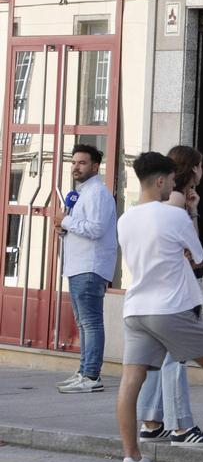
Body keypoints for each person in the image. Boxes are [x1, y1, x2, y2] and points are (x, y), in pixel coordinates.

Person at [113, 152, 203, 462]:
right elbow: (199, 257)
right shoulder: (173, 216)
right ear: (161, 181)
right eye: (170, 181)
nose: (172, 187)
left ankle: (131, 459)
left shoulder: (125, 218)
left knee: (130, 382)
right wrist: (191, 211)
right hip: (171, 307)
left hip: (136, 309)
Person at [136, 145, 203, 446]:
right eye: (200, 165)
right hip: (175, 291)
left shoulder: (169, 200)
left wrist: (193, 210)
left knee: (159, 359)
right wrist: (191, 212)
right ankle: (181, 426)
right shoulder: (176, 199)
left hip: (155, 292)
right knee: (175, 358)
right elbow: (193, 251)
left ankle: (151, 421)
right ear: (192, 168)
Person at [55, 144, 117, 394]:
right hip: (78, 265)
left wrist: (66, 221)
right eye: (73, 162)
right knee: (83, 323)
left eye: (82, 163)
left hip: (91, 266)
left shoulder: (98, 193)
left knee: (90, 323)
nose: (76, 167)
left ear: (95, 165)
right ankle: (83, 371)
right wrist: (63, 228)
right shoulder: (80, 193)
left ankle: (91, 375)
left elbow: (96, 228)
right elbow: (81, 227)